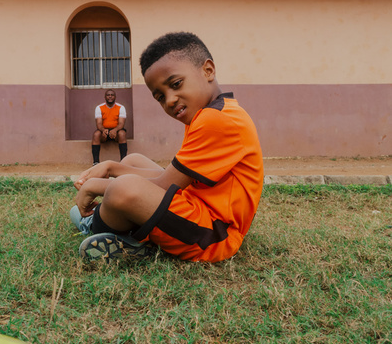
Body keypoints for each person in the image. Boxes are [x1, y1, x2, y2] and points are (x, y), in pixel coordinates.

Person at [71, 31, 264, 263]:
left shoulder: (216, 120)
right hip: (200, 212)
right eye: (160, 97)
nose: (170, 100)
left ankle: (97, 225)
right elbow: (171, 178)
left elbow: (163, 185)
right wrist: (112, 167)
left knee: (123, 189)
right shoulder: (212, 113)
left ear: (208, 70)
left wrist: (96, 186)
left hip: (215, 236)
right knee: (132, 162)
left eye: (176, 84)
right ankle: (125, 235)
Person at [92, 89, 128, 164]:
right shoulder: (99, 107)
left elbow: (121, 123)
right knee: (96, 135)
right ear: (105, 97)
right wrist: (103, 130)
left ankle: (123, 162)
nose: (110, 96)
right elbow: (98, 124)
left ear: (115, 97)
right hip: (104, 131)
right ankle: (96, 162)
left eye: (112, 95)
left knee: (122, 134)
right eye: (108, 95)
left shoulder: (121, 107)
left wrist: (115, 130)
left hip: (116, 132)